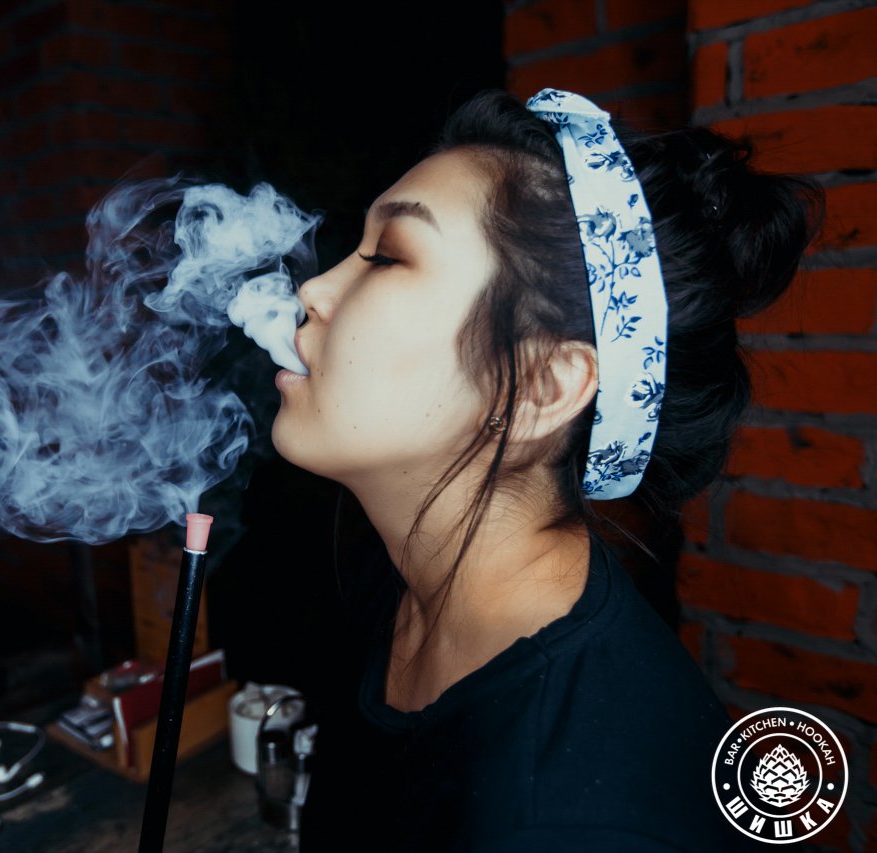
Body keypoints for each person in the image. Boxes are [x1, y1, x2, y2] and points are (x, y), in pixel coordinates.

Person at [274, 88, 823, 851]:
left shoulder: (566, 817)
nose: (314, 289)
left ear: (542, 386)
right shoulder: (398, 581)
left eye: (390, 255)